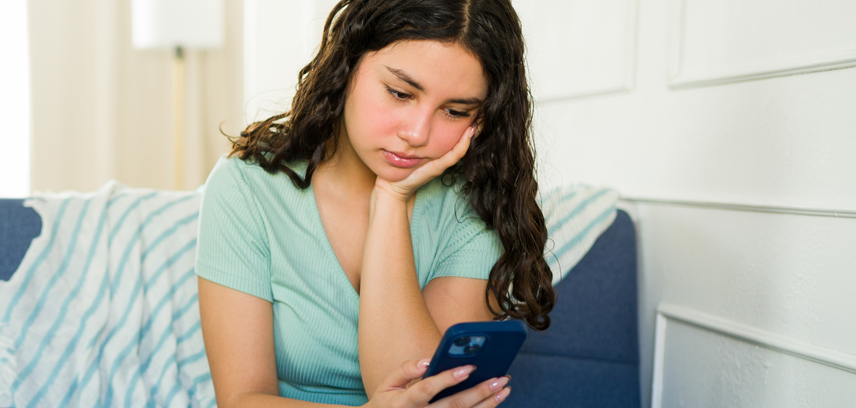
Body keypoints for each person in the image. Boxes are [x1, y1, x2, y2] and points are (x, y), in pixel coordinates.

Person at [195, 0, 556, 407]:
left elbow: (421, 389)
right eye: (400, 93)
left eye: (455, 111)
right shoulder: (246, 188)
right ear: (347, 64)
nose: (418, 133)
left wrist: (390, 198)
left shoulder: (474, 206)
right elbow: (242, 398)